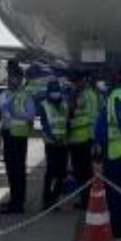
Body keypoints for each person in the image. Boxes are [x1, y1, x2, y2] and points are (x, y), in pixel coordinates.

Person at [99, 74, 121, 238]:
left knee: (116, 192)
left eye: (107, 81)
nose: (105, 84)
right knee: (115, 191)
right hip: (115, 149)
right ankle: (118, 227)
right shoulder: (117, 97)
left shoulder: (115, 98)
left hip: (114, 150)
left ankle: (119, 229)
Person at [0, 67, 34, 213]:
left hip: (18, 136)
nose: (9, 80)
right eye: (9, 77)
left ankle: (17, 204)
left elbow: (30, 116)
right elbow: (1, 113)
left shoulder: (26, 95)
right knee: (11, 171)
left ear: (19, 79)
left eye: (12, 77)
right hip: (7, 134)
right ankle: (15, 199)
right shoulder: (5, 94)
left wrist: (14, 112)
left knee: (17, 170)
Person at [65, 72, 100, 209]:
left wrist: (71, 122)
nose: (73, 85)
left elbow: (89, 118)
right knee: (81, 173)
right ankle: (85, 200)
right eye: (73, 82)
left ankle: (86, 202)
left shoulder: (86, 95)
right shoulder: (83, 94)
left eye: (75, 82)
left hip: (83, 140)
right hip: (78, 140)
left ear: (82, 81)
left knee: (84, 173)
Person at [37, 79, 71, 209]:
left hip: (63, 143)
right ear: (48, 92)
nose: (56, 94)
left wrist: (66, 136)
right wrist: (55, 138)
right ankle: (47, 199)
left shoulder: (64, 104)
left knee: (61, 172)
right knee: (51, 171)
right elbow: (45, 125)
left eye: (57, 91)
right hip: (51, 143)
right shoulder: (44, 105)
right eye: (53, 92)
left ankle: (55, 198)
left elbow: (66, 121)